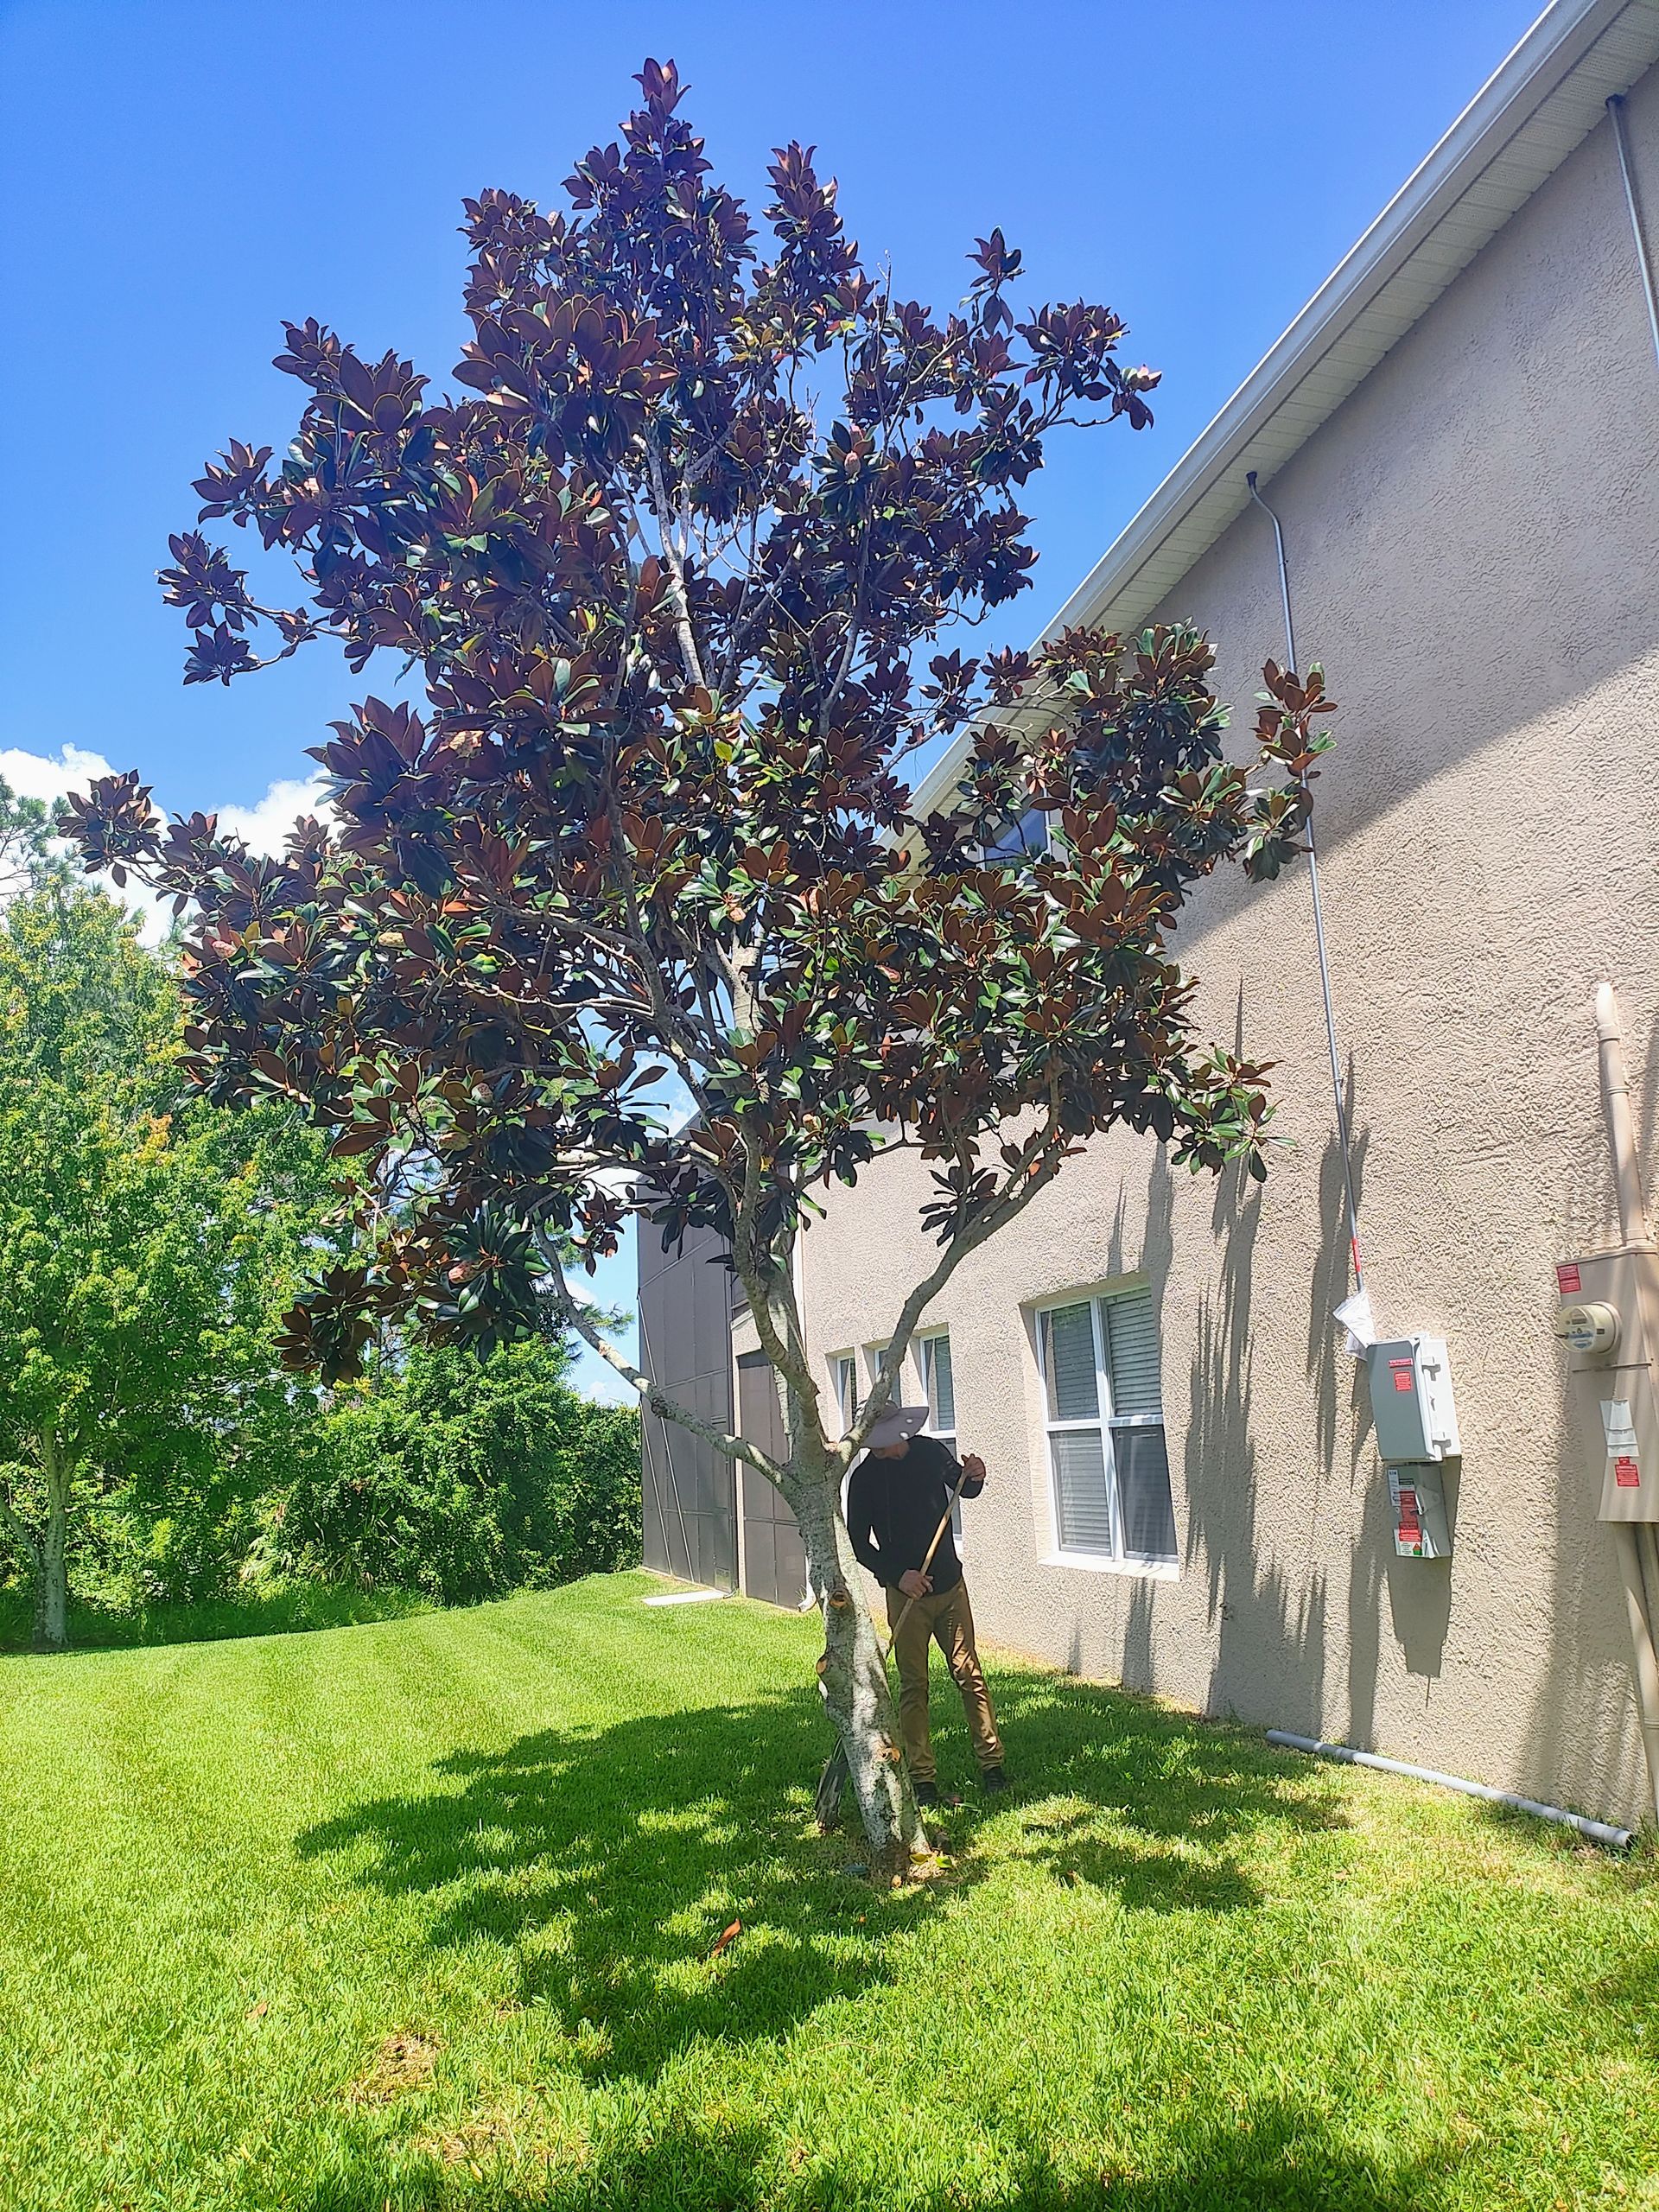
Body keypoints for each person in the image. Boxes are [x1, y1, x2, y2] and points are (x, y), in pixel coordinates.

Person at [845, 1402, 1007, 1807]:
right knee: (915, 1685)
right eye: (871, 1444)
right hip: (907, 1599)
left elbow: (963, 1488)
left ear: (900, 1434)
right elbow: (859, 1544)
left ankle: (992, 1765)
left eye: (881, 1443)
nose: (876, 1450)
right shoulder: (864, 1480)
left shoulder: (932, 1453)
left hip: (950, 1588)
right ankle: (923, 1778)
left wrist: (976, 1475)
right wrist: (899, 1575)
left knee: (970, 1675)